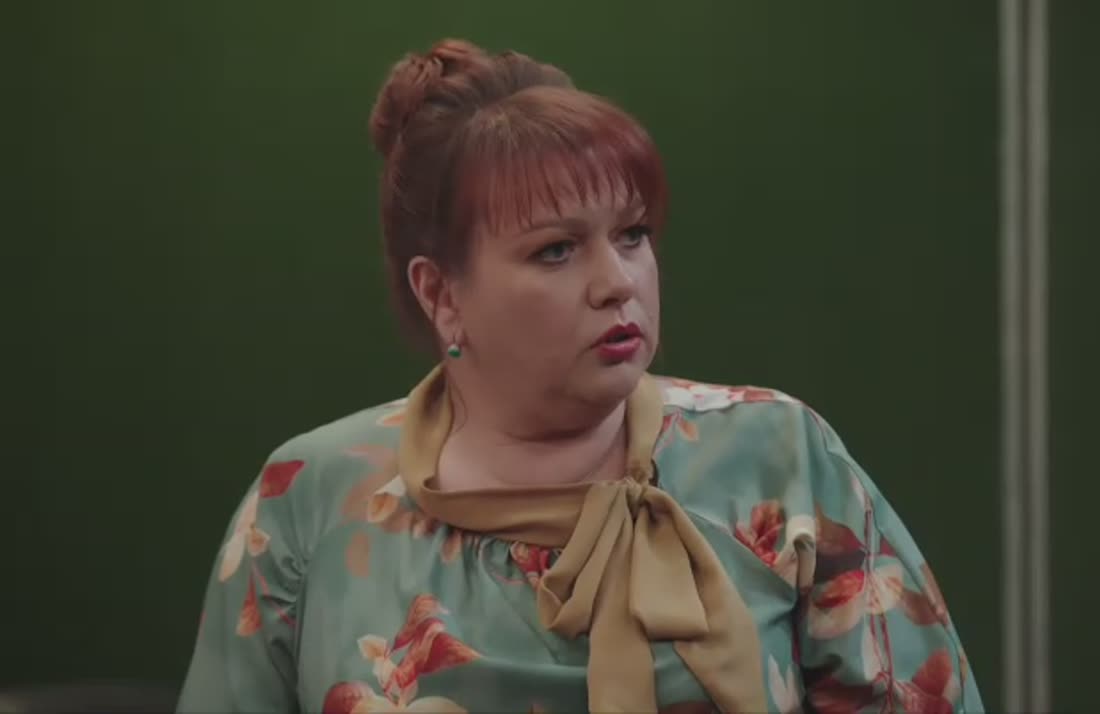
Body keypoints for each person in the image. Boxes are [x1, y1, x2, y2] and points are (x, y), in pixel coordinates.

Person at [176, 38, 985, 714]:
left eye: (632, 234)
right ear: (442, 295)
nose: (617, 282)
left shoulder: (779, 456)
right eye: (556, 250)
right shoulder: (310, 499)